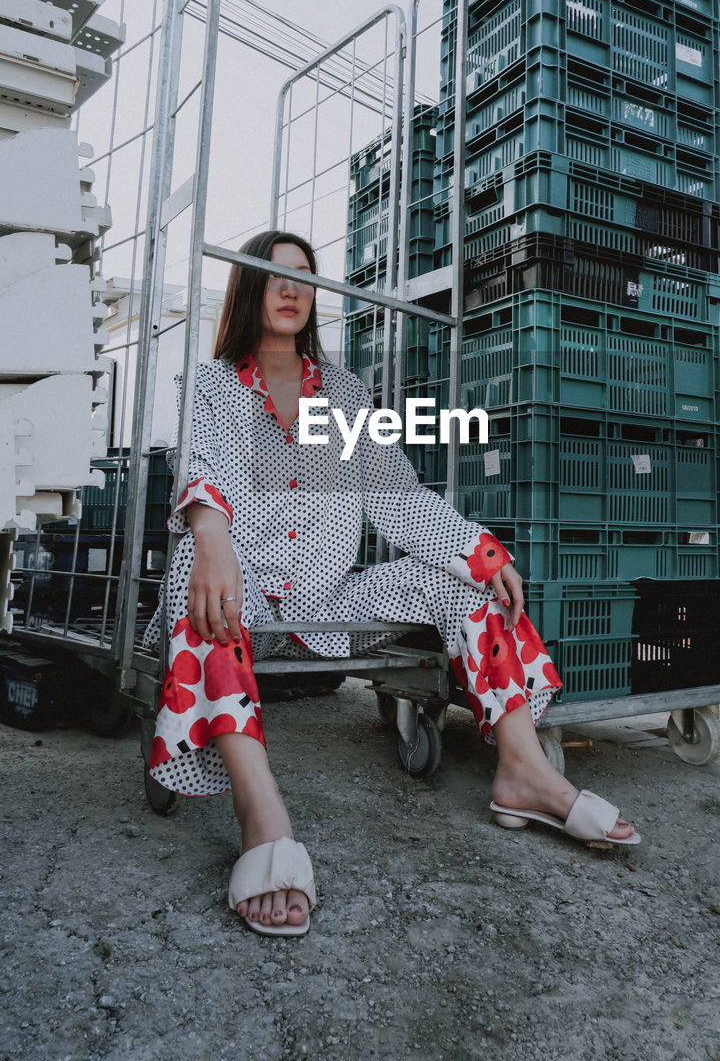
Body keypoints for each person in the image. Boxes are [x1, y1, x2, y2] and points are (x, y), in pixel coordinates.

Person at [142, 229, 639, 937]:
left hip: (327, 602)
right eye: (274, 275)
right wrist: (211, 531)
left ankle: (523, 771)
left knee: (462, 578)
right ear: (248, 288)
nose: (292, 289)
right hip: (234, 594)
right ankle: (262, 815)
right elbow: (200, 468)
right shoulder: (214, 385)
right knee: (199, 562)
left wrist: (478, 548)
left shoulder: (342, 394)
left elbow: (397, 499)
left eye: (305, 278)